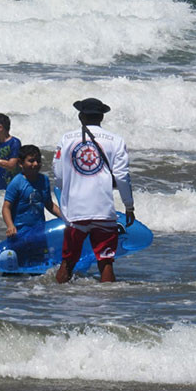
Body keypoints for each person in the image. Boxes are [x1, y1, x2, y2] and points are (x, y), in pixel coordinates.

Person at [53, 98, 135, 283]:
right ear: (102, 117)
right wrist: (129, 206)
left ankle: (56, 302)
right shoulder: (116, 140)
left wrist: (68, 194)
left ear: (80, 116)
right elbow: (122, 177)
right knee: (105, 262)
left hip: (75, 211)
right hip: (102, 210)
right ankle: (107, 307)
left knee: (67, 262)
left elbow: (58, 175)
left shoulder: (66, 139)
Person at [2, 145, 62, 238]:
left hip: (40, 231)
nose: (36, 164)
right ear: (20, 163)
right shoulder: (16, 182)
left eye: (38, 160)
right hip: (20, 233)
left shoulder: (44, 180)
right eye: (31, 161)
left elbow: (49, 204)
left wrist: (64, 217)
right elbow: (6, 208)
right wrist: (10, 226)